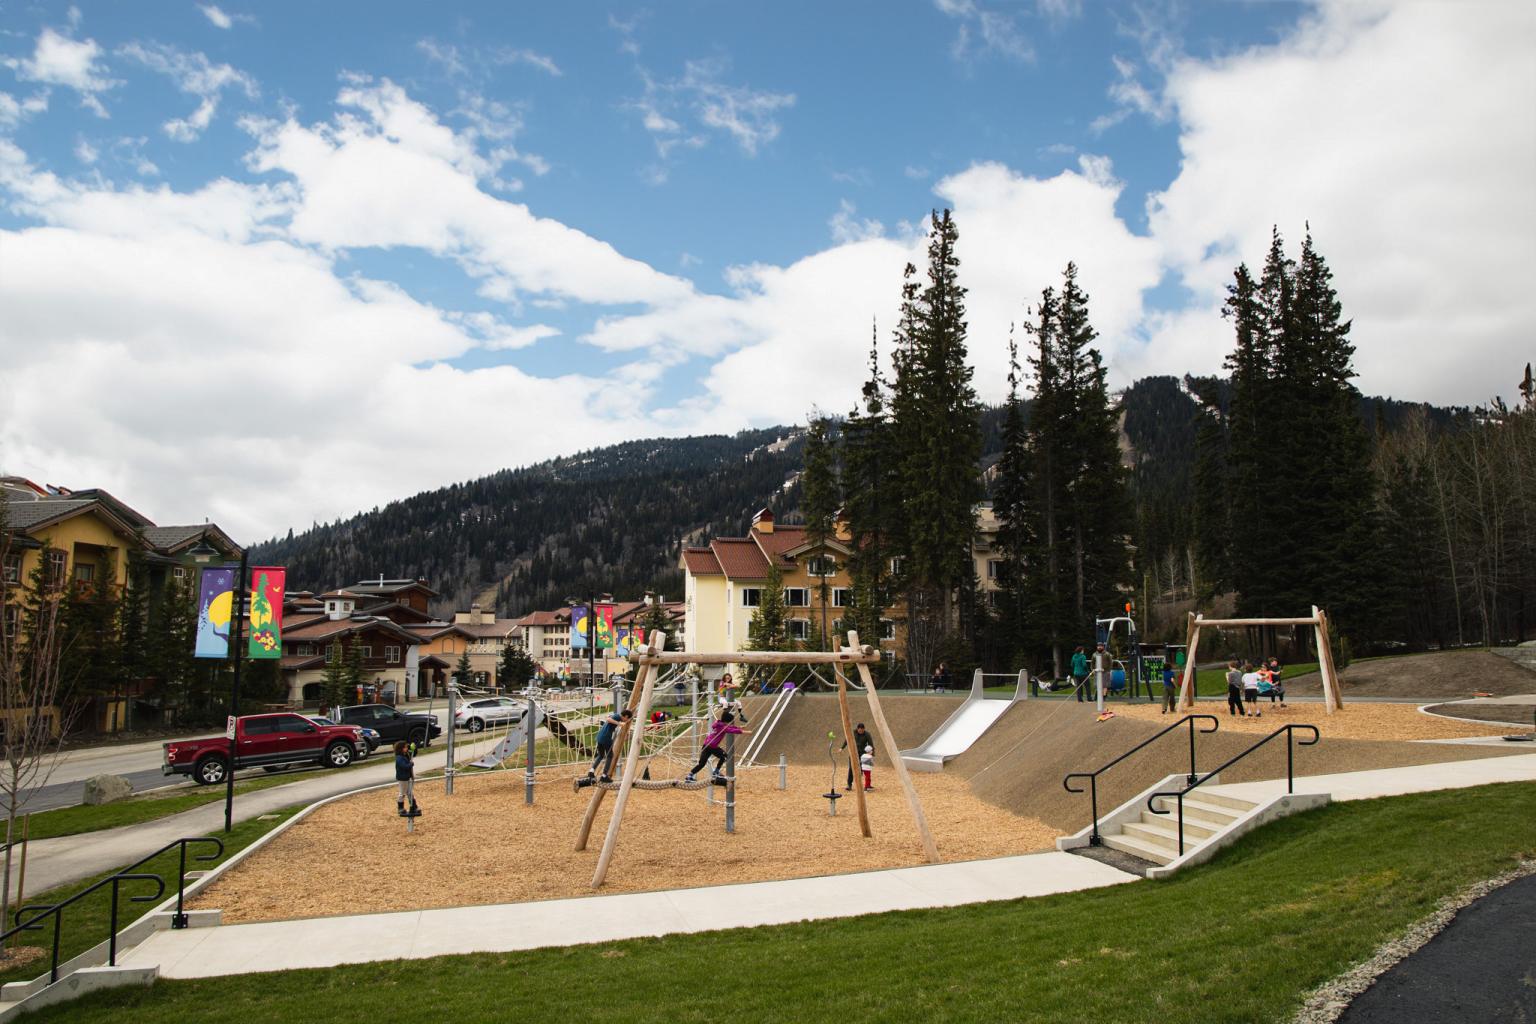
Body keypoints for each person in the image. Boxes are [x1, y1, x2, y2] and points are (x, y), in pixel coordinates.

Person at [685, 708, 747, 782]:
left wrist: (739, 727)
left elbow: (729, 727)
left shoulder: (718, 723)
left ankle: (689, 776)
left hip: (706, 745)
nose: (729, 723)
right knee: (724, 757)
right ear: (727, 721)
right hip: (712, 746)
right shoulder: (723, 727)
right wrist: (743, 731)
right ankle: (716, 772)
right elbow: (730, 730)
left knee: (701, 764)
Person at [589, 708, 633, 781]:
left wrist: (626, 733)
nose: (627, 721)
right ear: (626, 716)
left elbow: (609, 718)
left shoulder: (616, 716)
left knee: (601, 755)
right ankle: (604, 775)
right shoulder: (618, 717)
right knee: (610, 756)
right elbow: (609, 719)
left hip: (600, 737)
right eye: (627, 719)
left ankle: (591, 771)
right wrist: (619, 723)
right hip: (606, 738)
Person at [842, 722, 874, 791]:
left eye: (862, 730)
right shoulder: (853, 732)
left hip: (863, 754)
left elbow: (871, 744)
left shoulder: (867, 734)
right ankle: (849, 784)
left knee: (865, 769)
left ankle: (867, 785)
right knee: (851, 768)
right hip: (853, 753)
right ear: (857, 729)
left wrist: (872, 753)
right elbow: (847, 739)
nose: (861, 731)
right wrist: (842, 748)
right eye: (860, 730)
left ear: (864, 729)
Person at [394, 740, 419, 817]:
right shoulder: (399, 758)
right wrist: (410, 764)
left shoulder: (405, 755)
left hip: (407, 777)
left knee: (409, 793)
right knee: (402, 793)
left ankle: (414, 806)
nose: (407, 749)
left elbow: (413, 753)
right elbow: (404, 766)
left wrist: (414, 748)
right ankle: (400, 808)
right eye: (405, 747)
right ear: (401, 749)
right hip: (402, 778)